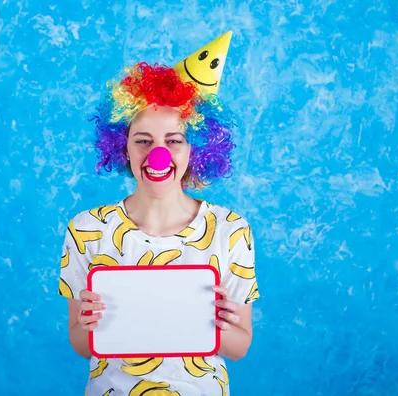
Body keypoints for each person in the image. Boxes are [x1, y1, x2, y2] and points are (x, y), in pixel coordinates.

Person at [58, 32, 260, 396]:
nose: (158, 154)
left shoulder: (231, 230)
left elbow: (239, 347)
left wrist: (221, 323)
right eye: (143, 140)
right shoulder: (87, 229)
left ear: (195, 149)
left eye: (174, 140)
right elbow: (79, 344)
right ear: (123, 146)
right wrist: (88, 325)